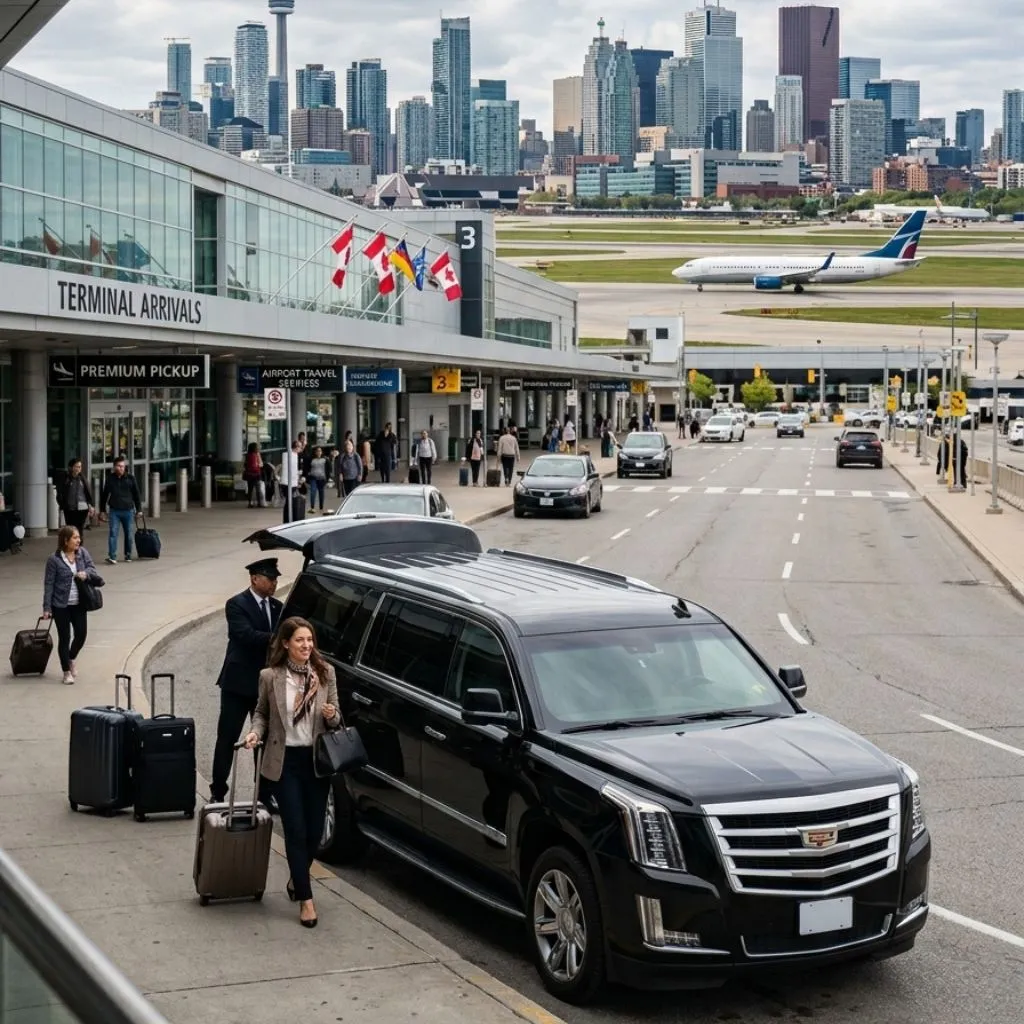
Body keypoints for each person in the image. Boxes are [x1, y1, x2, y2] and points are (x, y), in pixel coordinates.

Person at [245, 616, 340, 929]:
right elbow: (261, 713)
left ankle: (297, 876)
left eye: (309, 640)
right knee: (296, 830)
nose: (306, 646)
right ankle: (306, 899)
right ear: (286, 643)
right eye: (300, 640)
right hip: (284, 763)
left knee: (314, 833)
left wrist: (332, 715)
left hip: (316, 762)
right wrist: (254, 733)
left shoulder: (325, 675)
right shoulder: (270, 677)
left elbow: (338, 718)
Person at [210, 558, 284, 805]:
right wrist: (279, 639)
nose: (274, 583)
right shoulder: (237, 604)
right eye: (270, 578)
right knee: (228, 737)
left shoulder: (277, 607)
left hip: (265, 685)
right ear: (255, 578)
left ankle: (264, 793)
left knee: (264, 739)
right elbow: (245, 635)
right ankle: (218, 790)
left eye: (276, 579)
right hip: (238, 684)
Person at [42, 525, 103, 685]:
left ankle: (71, 658)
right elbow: (49, 584)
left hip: (79, 603)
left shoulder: (82, 553)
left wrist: (86, 574)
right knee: (65, 637)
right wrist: (47, 608)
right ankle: (66, 672)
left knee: (81, 635)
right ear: (65, 540)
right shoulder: (54, 560)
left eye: (78, 537)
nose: (78, 540)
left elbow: (92, 569)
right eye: (75, 538)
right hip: (60, 605)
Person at [99, 456, 142, 565]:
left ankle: (128, 554)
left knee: (128, 533)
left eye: (123, 466)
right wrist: (102, 510)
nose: (121, 468)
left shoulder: (130, 478)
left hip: (128, 510)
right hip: (114, 511)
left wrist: (139, 510)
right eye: (119, 466)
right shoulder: (110, 479)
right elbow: (104, 495)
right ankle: (112, 556)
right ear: (114, 467)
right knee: (113, 533)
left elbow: (136, 495)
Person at [60, 458, 95, 535]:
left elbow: (87, 492)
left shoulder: (82, 478)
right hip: (69, 508)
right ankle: (72, 546)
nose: (78, 469)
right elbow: (61, 492)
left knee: (79, 529)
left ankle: (79, 546)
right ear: (71, 467)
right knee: (70, 530)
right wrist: (62, 504)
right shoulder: (66, 479)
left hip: (82, 509)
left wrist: (91, 505)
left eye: (80, 467)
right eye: (76, 466)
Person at [307, 446, 327, 512]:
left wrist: (327, 478)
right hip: (313, 478)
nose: (319, 452)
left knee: (321, 493)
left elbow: (328, 469)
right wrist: (308, 474)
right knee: (313, 492)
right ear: (315, 452)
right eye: (317, 451)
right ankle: (312, 507)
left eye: (320, 451)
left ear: (321, 452)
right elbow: (307, 468)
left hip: (322, 478)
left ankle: (321, 507)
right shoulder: (311, 459)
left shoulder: (325, 459)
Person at [244, 443, 265, 508]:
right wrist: (259, 464)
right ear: (254, 448)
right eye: (257, 447)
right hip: (256, 474)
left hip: (249, 475)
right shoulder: (254, 455)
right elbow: (259, 465)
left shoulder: (248, 455)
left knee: (250, 489)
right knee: (258, 489)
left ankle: (250, 503)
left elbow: (246, 465)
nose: (258, 448)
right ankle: (259, 503)